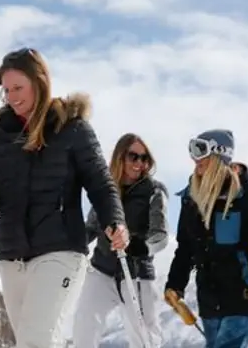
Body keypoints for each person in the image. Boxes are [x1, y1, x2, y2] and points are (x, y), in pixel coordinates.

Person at [0, 47, 129, 348]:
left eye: (18, 87)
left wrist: (115, 221)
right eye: (6, 90)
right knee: (32, 342)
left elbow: (101, 184)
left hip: (61, 249)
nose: (12, 96)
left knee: (36, 340)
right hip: (12, 255)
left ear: (39, 82)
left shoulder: (72, 129)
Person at [163, 129, 248, 348]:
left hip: (244, 295)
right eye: (193, 152)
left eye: (201, 152)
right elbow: (185, 249)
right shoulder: (191, 200)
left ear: (220, 155)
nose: (195, 159)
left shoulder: (246, 194)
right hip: (210, 300)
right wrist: (175, 285)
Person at [69, 133, 170, 348]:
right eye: (134, 156)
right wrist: (69, 244)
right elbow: (91, 228)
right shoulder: (106, 190)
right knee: (84, 327)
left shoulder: (154, 191)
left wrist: (139, 246)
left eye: (145, 159)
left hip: (136, 273)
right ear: (120, 157)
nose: (139, 163)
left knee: (144, 337)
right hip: (102, 268)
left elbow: (160, 236)